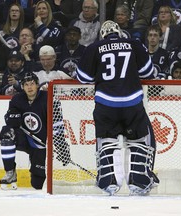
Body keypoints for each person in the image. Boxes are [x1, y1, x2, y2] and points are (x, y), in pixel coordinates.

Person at [76, 20, 159, 196]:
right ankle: (139, 182)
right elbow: (149, 72)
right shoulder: (134, 44)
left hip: (105, 104)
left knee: (106, 143)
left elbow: (82, 77)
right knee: (141, 141)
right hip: (132, 103)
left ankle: (108, 182)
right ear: (119, 33)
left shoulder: (94, 47)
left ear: (103, 35)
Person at [0, 72, 47, 190]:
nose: (29, 87)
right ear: (22, 87)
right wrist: (12, 117)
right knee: (7, 133)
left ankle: (35, 167)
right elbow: (10, 122)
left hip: (41, 144)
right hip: (25, 138)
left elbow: (57, 122)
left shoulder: (48, 98)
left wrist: (60, 145)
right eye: (26, 84)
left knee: (37, 184)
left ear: (37, 85)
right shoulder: (17, 99)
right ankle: (10, 172)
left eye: (32, 84)